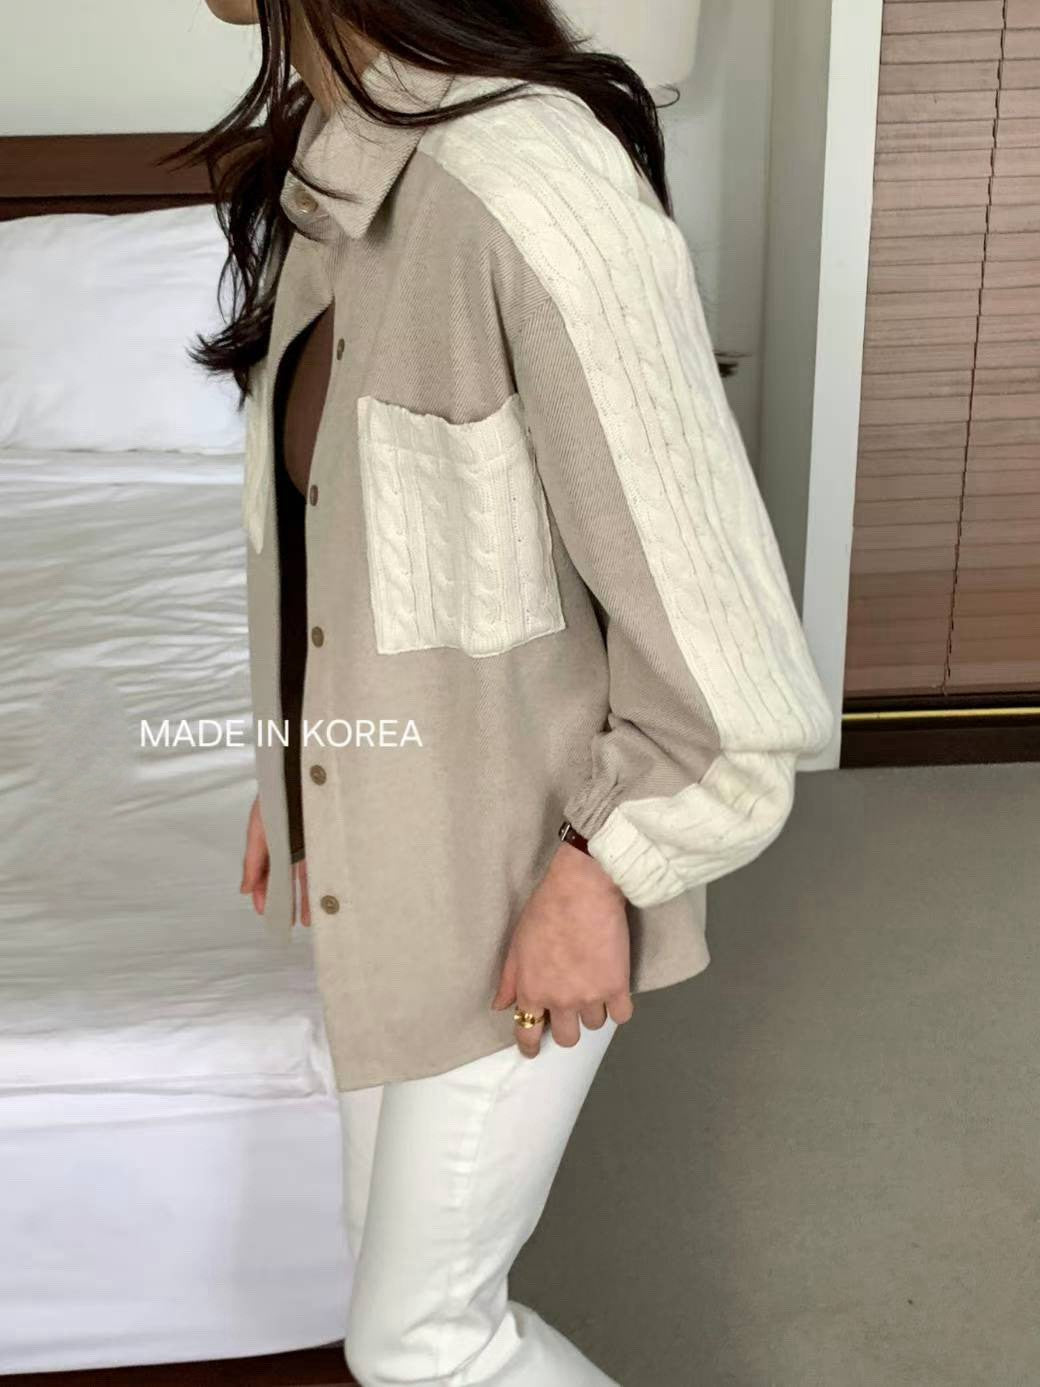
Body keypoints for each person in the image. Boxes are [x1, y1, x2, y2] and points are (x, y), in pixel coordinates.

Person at [190, 3, 835, 1382]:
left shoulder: (531, 185)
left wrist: (607, 866)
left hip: (520, 873)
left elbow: (732, 666)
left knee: (422, 1342)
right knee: (394, 1276)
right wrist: (295, 765)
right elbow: (334, 543)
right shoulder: (334, 168)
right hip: (396, 855)